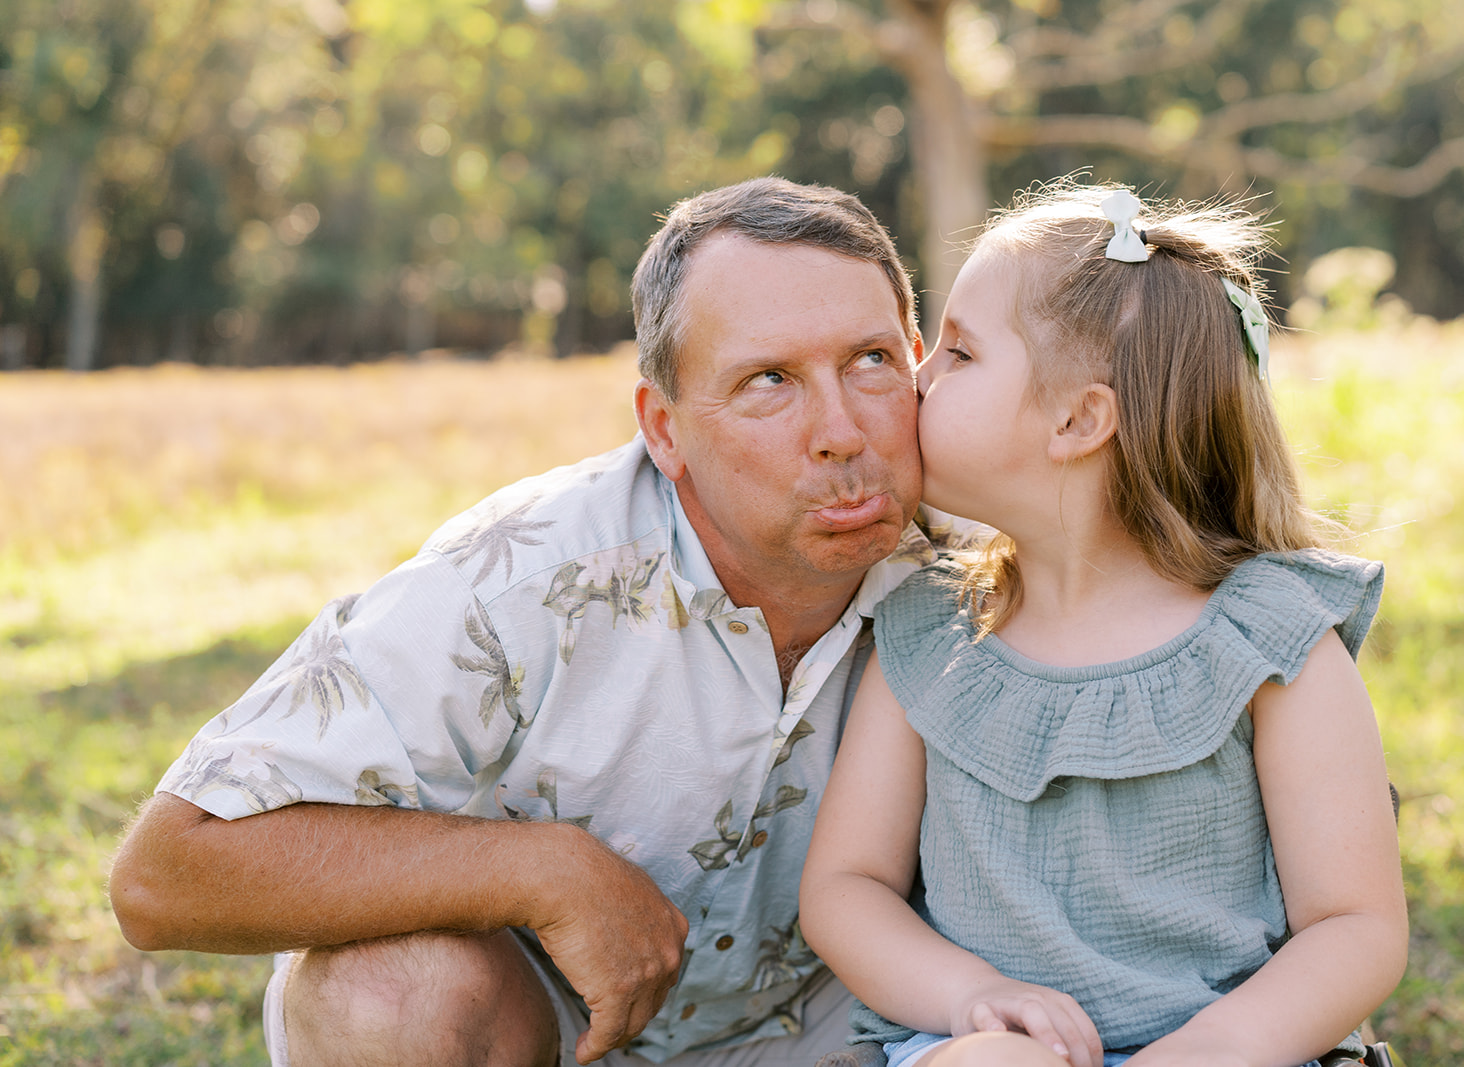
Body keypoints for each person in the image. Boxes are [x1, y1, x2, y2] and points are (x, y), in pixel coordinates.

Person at [109, 176, 939, 1067]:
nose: (844, 431)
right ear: (664, 429)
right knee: (388, 998)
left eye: (872, 361)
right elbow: (166, 872)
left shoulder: (995, 559)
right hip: (551, 1038)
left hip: (864, 1033)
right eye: (768, 380)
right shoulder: (519, 581)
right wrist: (539, 868)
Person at [797, 181, 1409, 1067]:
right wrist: (972, 995)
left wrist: (1213, 1050)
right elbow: (846, 889)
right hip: (978, 1044)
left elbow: (1355, 925)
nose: (916, 380)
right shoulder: (930, 632)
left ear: (1079, 419)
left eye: (958, 354)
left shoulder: (1271, 641)